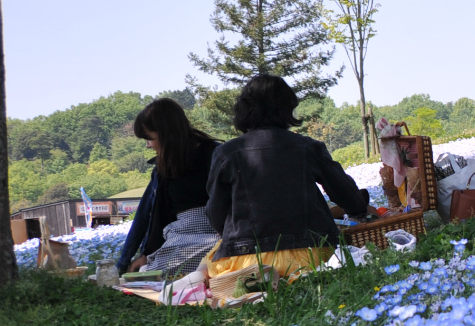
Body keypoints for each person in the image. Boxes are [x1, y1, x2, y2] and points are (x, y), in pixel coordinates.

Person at [204, 75, 371, 280]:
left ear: (244, 109)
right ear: (286, 108)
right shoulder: (308, 147)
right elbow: (346, 194)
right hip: (311, 255)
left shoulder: (225, 153)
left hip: (248, 260)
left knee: (208, 262)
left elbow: (215, 214)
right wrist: (359, 209)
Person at [116, 98, 220, 274]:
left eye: (150, 138)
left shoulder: (214, 154)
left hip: (215, 234)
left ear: (167, 133)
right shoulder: (163, 167)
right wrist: (144, 255)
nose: (148, 145)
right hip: (180, 238)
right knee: (149, 271)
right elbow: (153, 215)